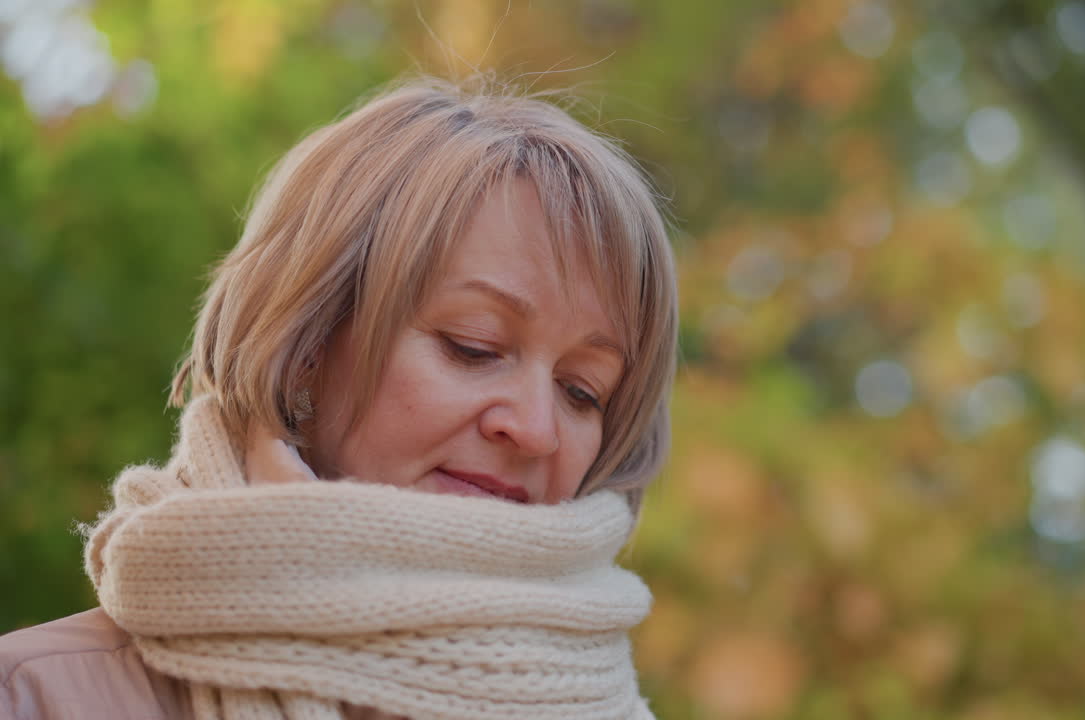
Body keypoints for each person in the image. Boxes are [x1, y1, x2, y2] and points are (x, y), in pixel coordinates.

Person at [0, 77, 678, 720]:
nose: (535, 429)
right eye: (473, 346)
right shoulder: (34, 698)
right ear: (307, 344)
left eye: (581, 391)